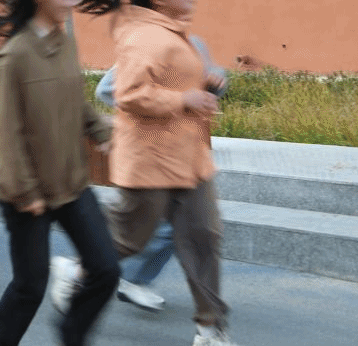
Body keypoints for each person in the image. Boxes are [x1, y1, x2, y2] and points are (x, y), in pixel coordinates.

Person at [75, 0, 251, 346]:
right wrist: (183, 99)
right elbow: (127, 93)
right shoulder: (143, 37)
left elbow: (180, 83)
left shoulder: (179, 35)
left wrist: (206, 89)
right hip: (151, 159)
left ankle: (210, 333)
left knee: (204, 237)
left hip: (189, 158)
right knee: (131, 238)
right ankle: (80, 271)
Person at [0, 0, 119, 346]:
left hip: (71, 183)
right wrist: (25, 192)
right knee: (30, 285)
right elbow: (7, 132)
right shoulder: (14, 56)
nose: (73, 0)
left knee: (106, 267)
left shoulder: (64, 41)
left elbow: (75, 99)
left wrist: (101, 130)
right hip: (28, 192)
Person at [53, 38, 229, 314]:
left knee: (183, 227)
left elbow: (210, 81)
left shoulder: (194, 43)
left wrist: (216, 82)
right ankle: (81, 271)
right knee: (137, 230)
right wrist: (171, 102)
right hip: (150, 154)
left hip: (186, 153)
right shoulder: (147, 43)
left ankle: (128, 278)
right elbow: (108, 89)